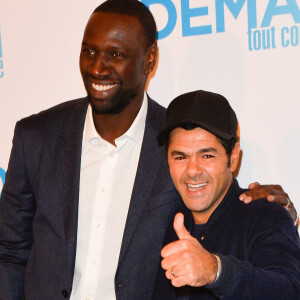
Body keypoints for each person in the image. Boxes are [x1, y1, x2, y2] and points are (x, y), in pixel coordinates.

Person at [0, 1, 297, 300]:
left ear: (150, 59)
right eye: (89, 51)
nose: (97, 67)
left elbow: (216, 193)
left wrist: (270, 204)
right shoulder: (36, 137)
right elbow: (10, 251)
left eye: (116, 54)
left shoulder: (175, 140)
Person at [152, 90, 300, 300]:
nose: (192, 170)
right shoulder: (164, 222)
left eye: (207, 155)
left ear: (233, 158)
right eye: (181, 157)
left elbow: (290, 290)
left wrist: (216, 271)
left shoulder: (266, 216)